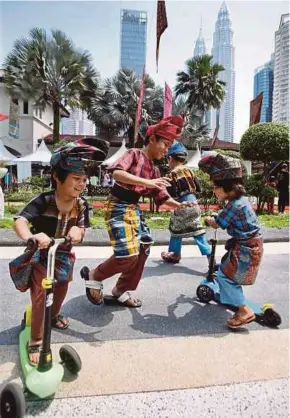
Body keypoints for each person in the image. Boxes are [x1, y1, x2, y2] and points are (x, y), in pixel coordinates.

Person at [12, 138, 108, 365]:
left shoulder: (82, 205)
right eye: (76, 179)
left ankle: (53, 315)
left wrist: (78, 231)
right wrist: (31, 237)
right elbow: (20, 221)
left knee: (62, 287)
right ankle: (36, 340)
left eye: (84, 179)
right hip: (40, 256)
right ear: (57, 177)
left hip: (64, 255)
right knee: (41, 294)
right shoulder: (43, 201)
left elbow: (83, 228)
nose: (82, 184)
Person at [81, 116, 194, 308]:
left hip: (133, 209)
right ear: (152, 139)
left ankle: (120, 290)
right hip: (117, 206)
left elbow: (162, 196)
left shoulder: (155, 170)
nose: (166, 150)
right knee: (127, 254)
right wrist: (148, 183)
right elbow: (116, 173)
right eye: (164, 144)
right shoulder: (133, 154)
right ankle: (94, 275)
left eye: (169, 147)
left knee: (144, 248)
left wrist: (179, 205)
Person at [199, 152, 263, 329]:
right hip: (250, 245)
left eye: (215, 187)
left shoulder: (233, 206)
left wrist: (208, 219)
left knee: (224, 277)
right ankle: (235, 300)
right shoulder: (241, 201)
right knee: (226, 270)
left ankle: (243, 311)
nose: (213, 191)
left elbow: (217, 223)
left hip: (246, 248)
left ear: (227, 186)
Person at [160, 142, 212, 268]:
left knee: (175, 228)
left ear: (170, 158)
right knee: (197, 231)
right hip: (194, 205)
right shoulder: (189, 170)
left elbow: (170, 193)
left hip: (182, 205)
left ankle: (175, 254)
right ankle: (211, 259)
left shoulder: (172, 173)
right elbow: (198, 187)